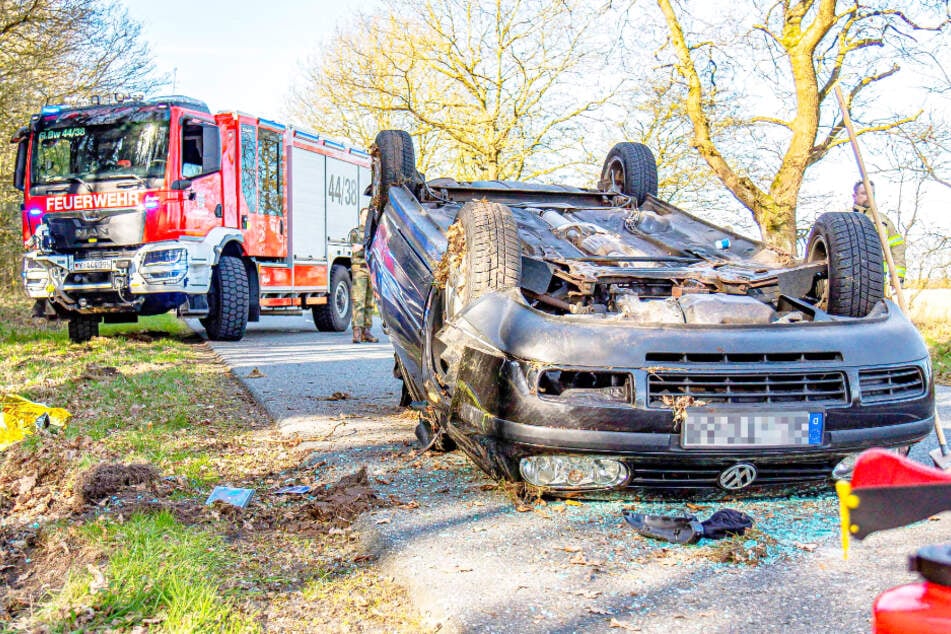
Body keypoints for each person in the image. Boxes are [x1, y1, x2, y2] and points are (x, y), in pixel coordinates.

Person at [852, 180, 907, 284]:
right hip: (849, 284)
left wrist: (898, 276)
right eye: (864, 193)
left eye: (872, 194)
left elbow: (898, 248)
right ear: (854, 195)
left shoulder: (883, 221)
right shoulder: (843, 220)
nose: (869, 197)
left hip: (877, 283)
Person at [349, 207, 378, 343]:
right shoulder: (356, 232)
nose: (366, 218)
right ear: (360, 217)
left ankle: (367, 331)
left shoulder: (373, 232)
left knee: (369, 302)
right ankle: (357, 331)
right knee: (358, 301)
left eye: (368, 216)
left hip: (370, 269)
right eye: (364, 216)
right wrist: (366, 243)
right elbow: (355, 248)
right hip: (360, 269)